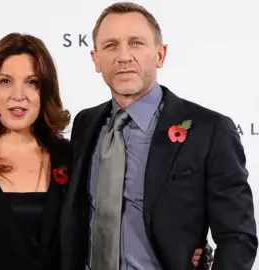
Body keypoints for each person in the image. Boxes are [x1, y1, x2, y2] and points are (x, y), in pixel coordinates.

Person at [0, 32, 213, 269]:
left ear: (45, 91)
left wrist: (186, 248)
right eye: (5, 81)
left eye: (31, 82)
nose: (18, 95)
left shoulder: (76, 157)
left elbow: (122, 217)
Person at [60, 2, 257, 270]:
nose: (124, 56)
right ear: (96, 59)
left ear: (160, 55)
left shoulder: (210, 130)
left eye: (136, 43)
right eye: (111, 45)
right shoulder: (85, 123)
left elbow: (238, 237)